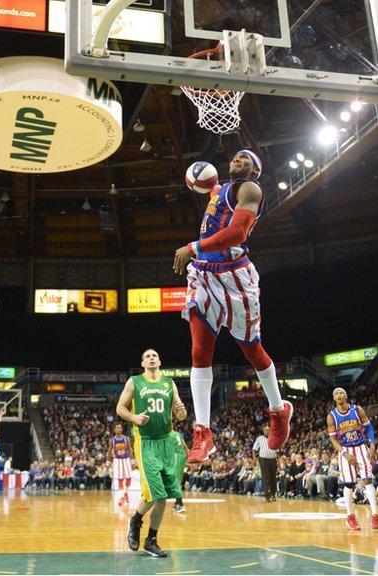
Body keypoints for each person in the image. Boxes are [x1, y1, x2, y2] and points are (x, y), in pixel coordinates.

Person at [172, 150, 293, 462]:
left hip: (235, 277)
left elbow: (237, 232)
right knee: (199, 353)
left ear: (255, 169)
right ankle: (203, 433)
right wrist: (197, 180)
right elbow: (205, 187)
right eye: (236, 157)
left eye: (246, 158)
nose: (238, 160)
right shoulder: (219, 189)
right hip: (203, 276)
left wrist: (193, 246)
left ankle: (279, 412)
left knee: (252, 350)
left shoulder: (250, 190)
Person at [118, 348, 187, 558]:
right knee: (154, 492)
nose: (151, 358)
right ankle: (135, 520)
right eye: (147, 356)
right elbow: (120, 408)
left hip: (166, 442)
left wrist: (182, 412)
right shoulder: (134, 382)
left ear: (160, 361)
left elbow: (179, 414)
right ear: (143, 363)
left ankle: (151, 540)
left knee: (163, 496)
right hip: (145, 442)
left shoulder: (169, 383)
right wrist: (135, 417)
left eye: (155, 355)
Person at [327, 387, 378, 530]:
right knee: (349, 484)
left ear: (345, 396)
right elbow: (333, 440)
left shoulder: (357, 410)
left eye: (341, 393)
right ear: (334, 398)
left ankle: (375, 516)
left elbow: (368, 428)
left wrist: (372, 443)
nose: (339, 395)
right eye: (336, 394)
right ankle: (350, 517)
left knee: (367, 480)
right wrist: (345, 454)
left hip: (361, 447)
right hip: (345, 450)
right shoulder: (332, 416)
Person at [110, 423, 134, 505]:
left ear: (122, 429)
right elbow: (109, 451)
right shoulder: (112, 440)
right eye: (116, 428)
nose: (118, 429)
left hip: (126, 459)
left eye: (119, 428)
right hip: (117, 460)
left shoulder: (126, 438)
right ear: (114, 430)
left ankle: (126, 493)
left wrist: (133, 461)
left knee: (129, 478)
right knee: (120, 479)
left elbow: (130, 450)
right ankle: (121, 497)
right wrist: (108, 462)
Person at [252, 427, 278, 501]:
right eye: (265, 430)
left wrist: (278, 460)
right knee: (265, 477)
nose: (266, 431)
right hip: (263, 460)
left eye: (267, 430)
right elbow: (254, 449)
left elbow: (277, 451)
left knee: (273, 477)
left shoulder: (274, 438)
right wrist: (254, 459)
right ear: (263, 431)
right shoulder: (259, 438)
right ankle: (267, 495)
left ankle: (273, 494)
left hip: (273, 459)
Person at [170, 430, 189, 513]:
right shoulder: (177, 434)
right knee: (177, 480)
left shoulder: (167, 436)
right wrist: (187, 459)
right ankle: (178, 502)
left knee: (176, 481)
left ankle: (179, 504)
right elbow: (185, 447)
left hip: (176, 456)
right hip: (182, 457)